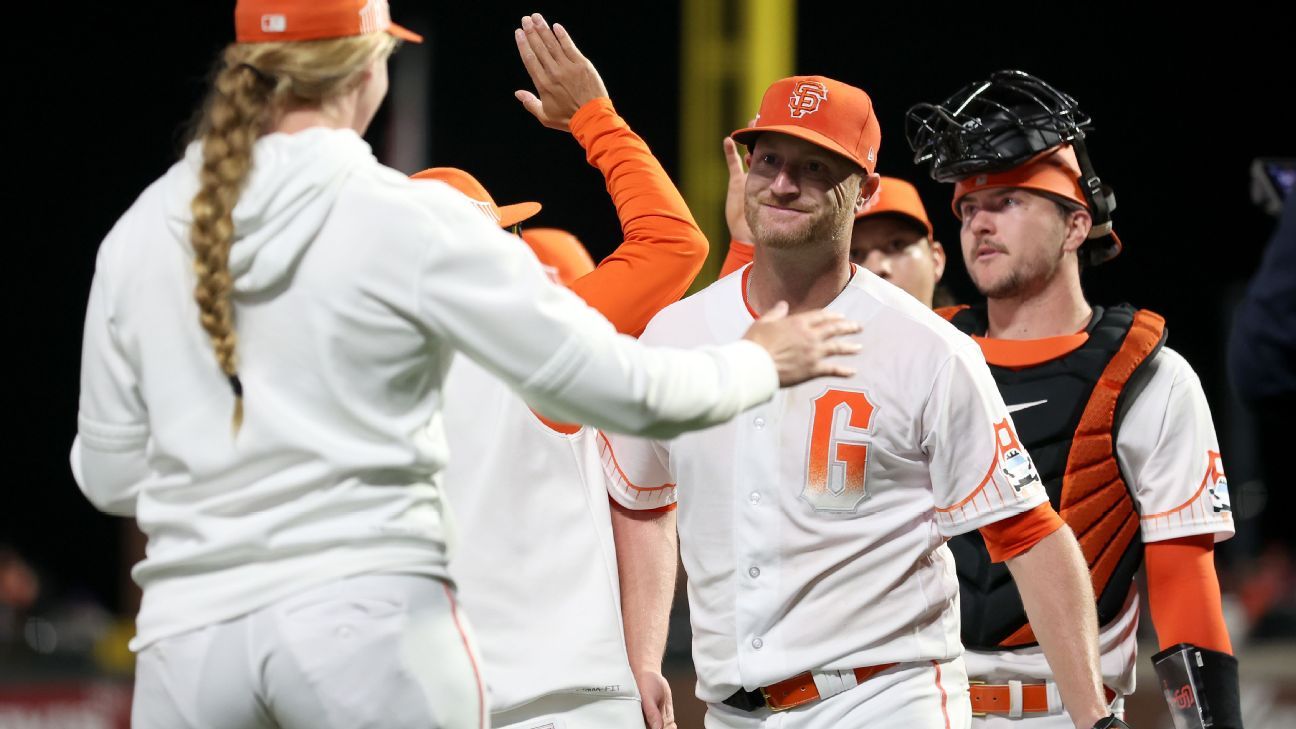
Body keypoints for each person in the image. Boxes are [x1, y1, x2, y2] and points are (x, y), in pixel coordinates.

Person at [67, 3, 862, 726]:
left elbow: (108, 477)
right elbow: (629, 381)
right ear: (368, 67)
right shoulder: (409, 226)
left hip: (188, 641)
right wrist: (755, 362)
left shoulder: (142, 230)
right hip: (381, 638)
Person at [605, 74, 1124, 729]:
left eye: (816, 167)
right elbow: (643, 498)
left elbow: (1028, 532)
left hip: (883, 697)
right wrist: (645, 655)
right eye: (770, 159)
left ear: (865, 191)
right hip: (729, 712)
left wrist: (1095, 718)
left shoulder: (926, 349)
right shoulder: (678, 335)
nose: (785, 183)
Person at [907, 70, 1241, 729]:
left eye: (1006, 200)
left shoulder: (1153, 377)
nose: (979, 221)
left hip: (1068, 714)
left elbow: (1182, 582)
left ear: (1075, 225)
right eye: (968, 207)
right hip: (913, 707)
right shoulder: (922, 356)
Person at [431, 15, 710, 728]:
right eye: (505, 233)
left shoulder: (354, 376)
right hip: (568, 704)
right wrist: (596, 118)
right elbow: (674, 243)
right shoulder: (534, 338)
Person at [723, 147, 950, 306]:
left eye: (896, 245)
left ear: (936, 259)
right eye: (856, 253)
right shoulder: (810, 354)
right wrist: (748, 246)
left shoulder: (964, 352)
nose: (876, 267)